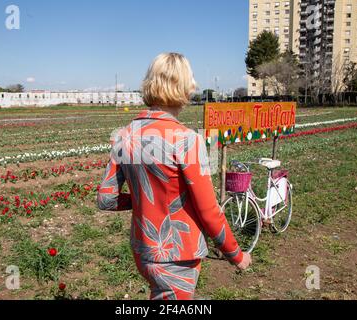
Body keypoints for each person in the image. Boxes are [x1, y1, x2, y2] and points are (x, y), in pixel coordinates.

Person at [97, 52, 251, 300]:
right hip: (177, 254)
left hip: (143, 250)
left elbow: (106, 199)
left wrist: (143, 201)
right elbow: (209, 210)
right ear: (186, 88)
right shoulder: (189, 140)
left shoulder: (123, 135)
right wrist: (236, 254)